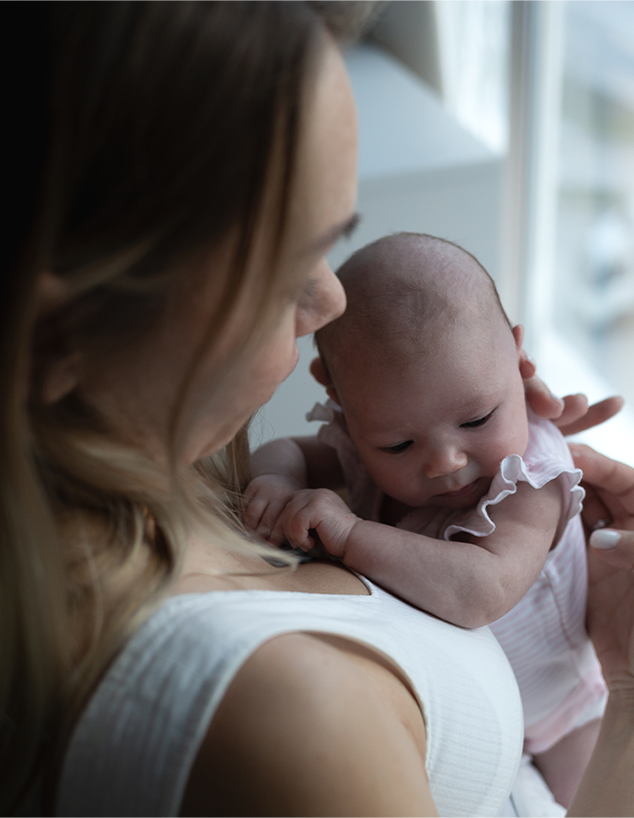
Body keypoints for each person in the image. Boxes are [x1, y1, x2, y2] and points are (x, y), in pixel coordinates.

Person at [3, 2, 633, 817]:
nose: (330, 301)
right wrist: (629, 686)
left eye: (331, 243)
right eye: (288, 264)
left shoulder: (165, 486)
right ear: (60, 337)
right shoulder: (292, 721)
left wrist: (456, 412)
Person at [243, 233, 606, 807]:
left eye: (477, 419)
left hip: (564, 709)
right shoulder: (357, 442)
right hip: (474, 711)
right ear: (341, 402)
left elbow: (482, 589)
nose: (446, 462)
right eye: (399, 444)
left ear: (519, 361)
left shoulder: (530, 477)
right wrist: (277, 483)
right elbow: (285, 451)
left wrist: (352, 534)